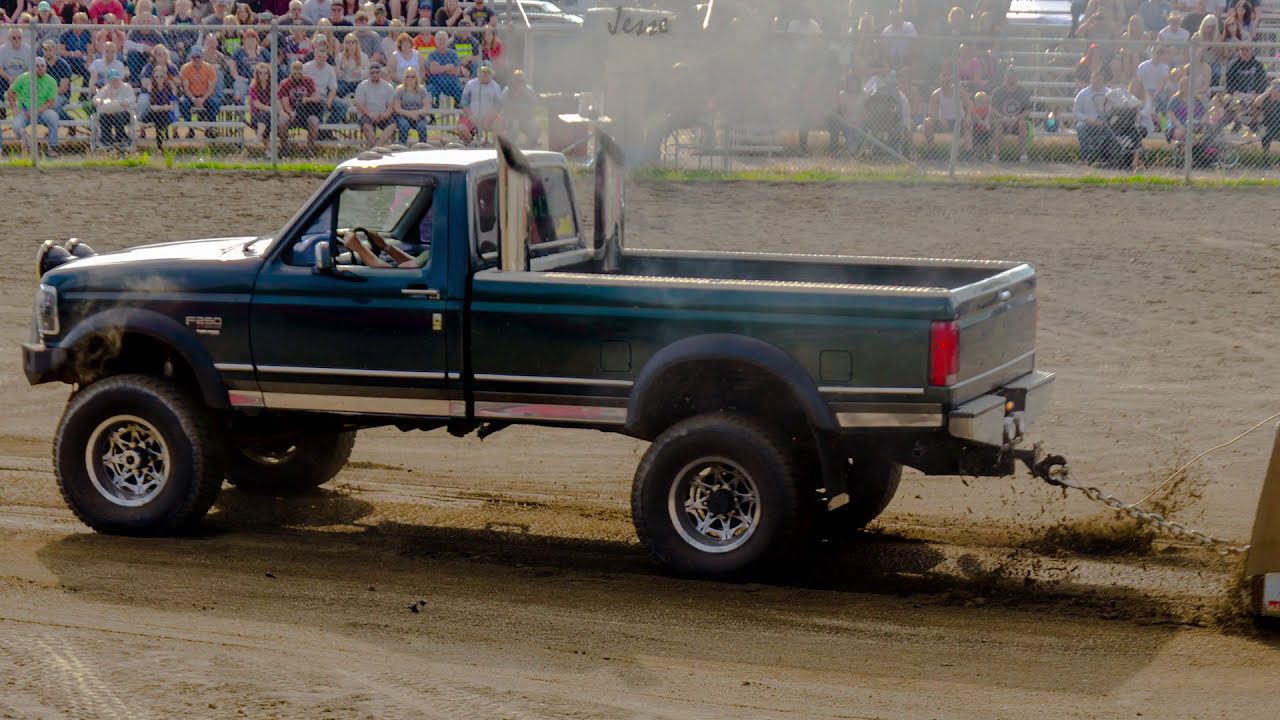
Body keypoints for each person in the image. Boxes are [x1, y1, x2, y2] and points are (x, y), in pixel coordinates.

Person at [6, 55, 59, 155]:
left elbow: (50, 102)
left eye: (42, 66)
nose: (40, 68)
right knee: (17, 126)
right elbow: (10, 92)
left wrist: (35, 112)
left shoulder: (51, 81)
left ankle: (52, 147)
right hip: (24, 111)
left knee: (53, 117)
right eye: (37, 66)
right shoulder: (23, 78)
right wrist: (14, 107)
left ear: (46, 68)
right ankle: (31, 145)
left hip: (42, 111)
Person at [138, 47, 178, 149]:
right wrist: (156, 84)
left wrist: (166, 78)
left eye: (163, 54)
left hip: (167, 94)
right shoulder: (149, 67)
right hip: (152, 94)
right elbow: (145, 83)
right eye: (158, 54)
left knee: (172, 104)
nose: (161, 56)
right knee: (143, 99)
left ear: (167, 55)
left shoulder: (171, 67)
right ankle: (142, 126)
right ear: (154, 56)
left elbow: (177, 81)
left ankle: (174, 129)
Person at [989, 70, 1031, 162]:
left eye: (1013, 76)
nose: (1010, 78)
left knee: (1023, 124)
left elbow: (1027, 110)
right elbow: (993, 109)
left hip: (1017, 120)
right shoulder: (998, 91)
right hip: (1002, 119)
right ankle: (996, 154)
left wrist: (1016, 118)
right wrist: (1003, 118)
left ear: (1017, 77)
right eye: (1009, 76)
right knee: (998, 125)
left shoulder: (1023, 92)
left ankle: (1022, 154)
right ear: (1005, 77)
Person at [178, 44, 220, 135]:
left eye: (198, 57)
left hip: (205, 95)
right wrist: (193, 99)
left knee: (215, 103)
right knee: (183, 103)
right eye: (194, 57)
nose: (196, 59)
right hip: (190, 96)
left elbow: (211, 89)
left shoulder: (209, 68)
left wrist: (202, 100)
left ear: (202, 57)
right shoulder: (185, 68)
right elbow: (185, 88)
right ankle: (191, 128)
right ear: (190, 58)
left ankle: (210, 128)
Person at [340, 227, 428, 268]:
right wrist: (385, 247)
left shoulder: (441, 250)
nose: (431, 215)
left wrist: (360, 249)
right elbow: (415, 264)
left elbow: (394, 275)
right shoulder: (437, 249)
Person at [303, 40, 345, 125]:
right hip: (310, 95)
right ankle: (320, 129)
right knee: (320, 103)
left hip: (324, 95)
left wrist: (329, 100)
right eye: (319, 57)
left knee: (342, 106)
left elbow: (333, 88)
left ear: (326, 58)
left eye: (323, 57)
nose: (321, 59)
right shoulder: (305, 67)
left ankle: (327, 128)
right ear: (314, 56)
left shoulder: (329, 69)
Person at [456, 61, 498, 144]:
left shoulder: (496, 87)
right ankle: (470, 143)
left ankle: (494, 145)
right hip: (472, 116)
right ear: (478, 72)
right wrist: (471, 117)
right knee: (461, 128)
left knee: (500, 125)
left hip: (488, 117)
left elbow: (498, 106)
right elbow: (464, 104)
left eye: (488, 72)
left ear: (492, 74)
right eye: (483, 72)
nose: (485, 74)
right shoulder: (470, 84)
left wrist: (489, 117)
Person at [1073, 70, 1111, 163]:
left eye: (1099, 79)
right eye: (1094, 79)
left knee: (1112, 130)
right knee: (1080, 127)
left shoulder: (1109, 93)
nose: (1096, 81)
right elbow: (1076, 112)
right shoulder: (1083, 93)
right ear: (1091, 80)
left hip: (1103, 123)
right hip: (1087, 123)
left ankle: (1105, 157)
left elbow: (1112, 111)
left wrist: (1104, 120)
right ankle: (1086, 157)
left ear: (1103, 81)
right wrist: (1087, 120)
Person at [355, 61, 395, 145]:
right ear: (369, 73)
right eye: (372, 72)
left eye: (377, 72)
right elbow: (360, 105)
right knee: (367, 127)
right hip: (367, 115)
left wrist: (386, 114)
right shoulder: (362, 86)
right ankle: (377, 148)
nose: (375, 74)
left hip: (382, 115)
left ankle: (377, 148)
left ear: (381, 73)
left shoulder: (388, 86)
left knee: (392, 126)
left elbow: (391, 105)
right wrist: (371, 114)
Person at [93, 66, 134, 147]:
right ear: (109, 81)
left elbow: (133, 98)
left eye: (116, 80)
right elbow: (96, 98)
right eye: (112, 80)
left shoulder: (126, 87)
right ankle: (106, 139)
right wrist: (99, 100)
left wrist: (126, 102)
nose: (115, 82)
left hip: (123, 112)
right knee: (103, 116)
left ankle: (122, 138)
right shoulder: (106, 89)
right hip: (109, 112)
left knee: (118, 115)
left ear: (120, 79)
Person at [425, 29, 466, 106]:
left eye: (444, 39)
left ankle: (461, 113)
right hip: (435, 84)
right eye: (439, 39)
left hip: (452, 84)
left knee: (464, 92)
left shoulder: (453, 53)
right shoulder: (432, 54)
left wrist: (440, 68)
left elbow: (457, 71)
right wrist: (448, 67)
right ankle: (433, 115)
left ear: (447, 41)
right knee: (426, 93)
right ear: (436, 41)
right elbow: (433, 70)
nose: (442, 41)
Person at [499, 66, 537, 146]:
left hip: (525, 116)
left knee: (534, 126)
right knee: (514, 125)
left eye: (521, 80)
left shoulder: (528, 90)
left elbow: (534, 102)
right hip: (511, 117)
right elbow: (503, 105)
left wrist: (526, 95)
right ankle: (512, 144)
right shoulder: (507, 90)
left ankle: (531, 144)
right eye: (517, 80)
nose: (519, 82)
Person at [230, 27, 268, 103]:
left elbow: (270, 65)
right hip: (243, 79)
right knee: (239, 86)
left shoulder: (263, 51)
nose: (250, 41)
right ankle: (240, 112)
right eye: (248, 38)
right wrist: (236, 76)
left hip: (260, 80)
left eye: (253, 38)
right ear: (244, 41)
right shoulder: (238, 51)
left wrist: (263, 77)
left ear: (257, 41)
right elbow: (232, 65)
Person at [392, 64, 428, 143]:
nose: (410, 79)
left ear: (416, 78)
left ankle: (423, 148)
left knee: (421, 127)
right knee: (404, 126)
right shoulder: (399, 90)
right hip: (403, 115)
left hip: (418, 116)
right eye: (408, 77)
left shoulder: (422, 89)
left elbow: (426, 107)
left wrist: (417, 113)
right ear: (405, 78)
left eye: (413, 77)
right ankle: (402, 146)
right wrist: (409, 114)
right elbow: (397, 108)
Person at [0, 27, 31, 104]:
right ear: (9, 38)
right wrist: (9, 78)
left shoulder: (28, 49)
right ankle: (1, 105)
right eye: (14, 38)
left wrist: (19, 79)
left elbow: (31, 69)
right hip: (7, 79)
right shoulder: (2, 49)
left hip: (24, 79)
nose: (17, 40)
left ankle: (27, 105)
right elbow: (0, 68)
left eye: (19, 37)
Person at [247, 61, 273, 151]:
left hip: (270, 114)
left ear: (269, 74)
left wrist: (268, 109)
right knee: (263, 117)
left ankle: (259, 137)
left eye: (265, 73)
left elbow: (275, 100)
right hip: (256, 114)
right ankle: (268, 150)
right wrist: (268, 108)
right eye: (260, 73)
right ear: (257, 74)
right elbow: (256, 104)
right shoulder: (253, 86)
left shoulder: (272, 85)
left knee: (266, 116)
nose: (263, 75)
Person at [1252, 80, 1280, 161]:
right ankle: (1266, 159)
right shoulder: (1266, 99)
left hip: (1278, 126)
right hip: (1266, 125)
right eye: (1275, 89)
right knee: (1266, 135)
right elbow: (1256, 103)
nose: (1276, 92)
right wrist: (1268, 92)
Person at [336, 31, 369, 98]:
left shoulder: (363, 56)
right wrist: (343, 69)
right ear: (345, 44)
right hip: (345, 82)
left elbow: (368, 72)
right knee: (340, 90)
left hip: (358, 81)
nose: (350, 44)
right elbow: (338, 75)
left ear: (357, 43)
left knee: (363, 90)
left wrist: (360, 73)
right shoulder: (340, 56)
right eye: (348, 42)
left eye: (353, 42)